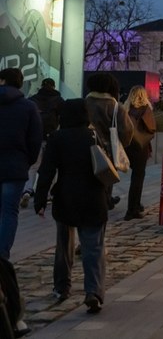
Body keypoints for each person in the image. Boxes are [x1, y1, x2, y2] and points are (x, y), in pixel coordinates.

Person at [34, 98, 109, 314]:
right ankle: (93, 291)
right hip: (94, 197)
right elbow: (104, 165)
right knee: (93, 247)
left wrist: (40, 200)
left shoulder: (58, 138)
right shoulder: (93, 136)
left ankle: (62, 286)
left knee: (64, 246)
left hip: (66, 197)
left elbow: (46, 171)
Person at [0, 68, 43, 261]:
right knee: (9, 211)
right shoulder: (28, 107)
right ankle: (2, 254)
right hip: (15, 166)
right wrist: (28, 161)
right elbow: (35, 140)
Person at [85, 73, 134, 211]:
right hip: (107, 151)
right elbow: (127, 131)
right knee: (105, 180)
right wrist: (120, 144)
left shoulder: (84, 103)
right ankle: (104, 202)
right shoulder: (115, 106)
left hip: (85, 147)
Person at [21, 78, 62, 209]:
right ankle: (49, 194)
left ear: (41, 86)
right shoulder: (58, 99)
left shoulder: (33, 99)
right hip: (52, 137)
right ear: (54, 86)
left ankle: (27, 191)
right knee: (52, 167)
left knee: (33, 166)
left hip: (36, 137)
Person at [123, 86, 156, 221]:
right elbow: (152, 128)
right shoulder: (146, 109)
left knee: (134, 177)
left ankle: (136, 205)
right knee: (138, 178)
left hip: (127, 146)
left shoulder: (125, 109)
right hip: (140, 147)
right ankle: (132, 209)